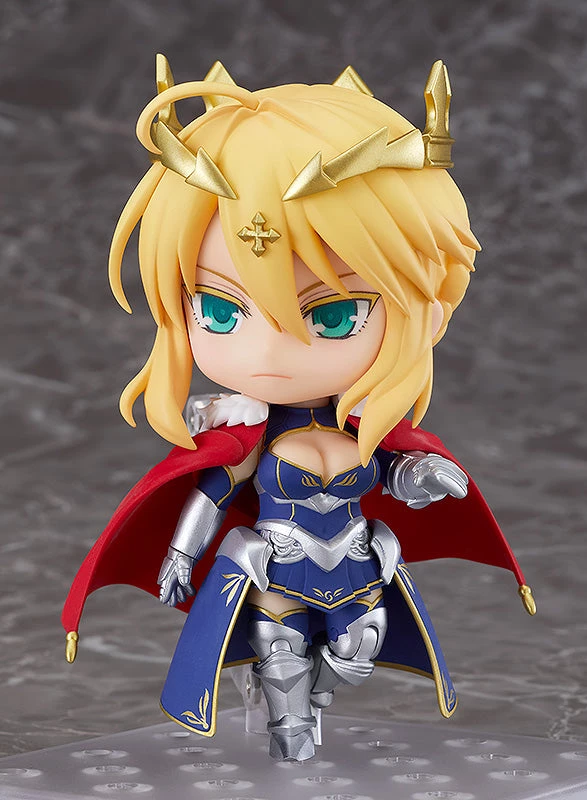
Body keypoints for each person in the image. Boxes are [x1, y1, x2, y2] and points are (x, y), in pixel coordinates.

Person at [63, 56, 535, 762]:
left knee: (358, 653)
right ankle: (292, 730)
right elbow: (213, 491)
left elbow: (393, 469)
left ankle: (318, 696)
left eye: (333, 315)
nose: (270, 351)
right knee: (280, 667)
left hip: (355, 564)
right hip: (276, 568)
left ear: (427, 308)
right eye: (221, 311)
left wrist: (422, 476)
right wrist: (181, 554)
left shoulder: (365, 423)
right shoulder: (247, 430)